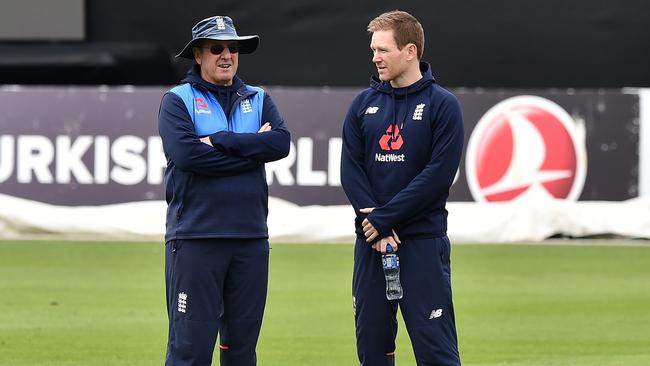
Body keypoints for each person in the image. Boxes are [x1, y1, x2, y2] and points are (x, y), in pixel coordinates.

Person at [158, 15, 290, 366]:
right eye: (217, 48)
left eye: (233, 48)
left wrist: (219, 141)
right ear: (198, 55)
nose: (227, 55)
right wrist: (251, 150)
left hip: (250, 239)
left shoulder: (258, 97)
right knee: (190, 349)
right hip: (197, 239)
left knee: (242, 351)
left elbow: (279, 144)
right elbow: (187, 156)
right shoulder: (177, 100)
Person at [340, 10, 463, 366]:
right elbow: (351, 170)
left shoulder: (443, 105)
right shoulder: (363, 105)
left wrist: (383, 219)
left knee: (436, 352)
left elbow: (437, 177)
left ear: (410, 51)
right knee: (373, 350)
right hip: (371, 245)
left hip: (422, 244)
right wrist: (375, 226)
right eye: (373, 50)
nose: (375, 57)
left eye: (383, 49)